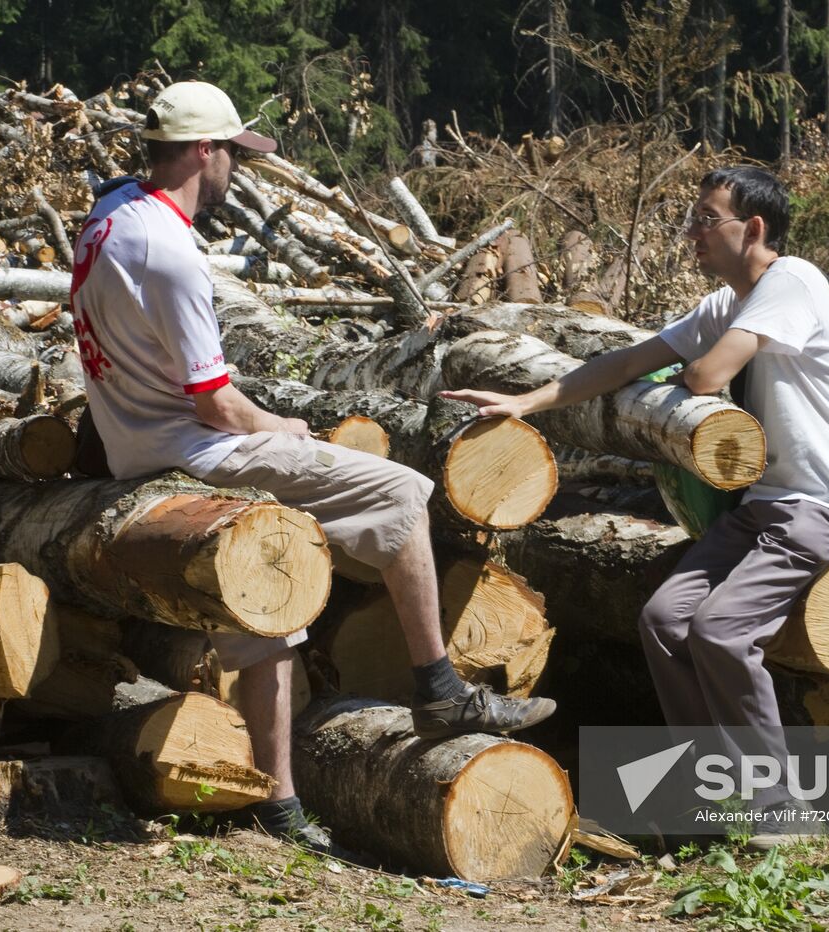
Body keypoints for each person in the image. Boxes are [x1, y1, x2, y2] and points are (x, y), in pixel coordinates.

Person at [69, 81, 555, 848]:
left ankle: (280, 807)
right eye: (234, 154)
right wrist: (285, 427)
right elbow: (217, 405)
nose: (238, 171)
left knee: (268, 596)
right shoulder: (170, 257)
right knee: (401, 491)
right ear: (204, 151)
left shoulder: (111, 216)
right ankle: (440, 691)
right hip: (196, 448)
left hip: (137, 444)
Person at [442, 166, 829, 847]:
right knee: (664, 617)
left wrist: (688, 376)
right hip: (769, 507)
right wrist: (525, 402)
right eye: (693, 220)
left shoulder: (792, 281)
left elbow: (709, 376)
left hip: (826, 505)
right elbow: (622, 363)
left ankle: (777, 806)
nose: (692, 234)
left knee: (720, 632)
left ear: (755, 229)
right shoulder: (722, 306)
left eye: (707, 220)